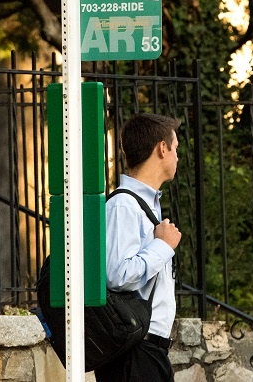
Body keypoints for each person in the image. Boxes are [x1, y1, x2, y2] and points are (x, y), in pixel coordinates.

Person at [94, 113, 183, 382]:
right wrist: (162, 246)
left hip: (148, 354)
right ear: (162, 148)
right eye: (176, 149)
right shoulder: (123, 207)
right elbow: (116, 275)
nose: (177, 157)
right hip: (134, 355)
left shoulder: (143, 206)